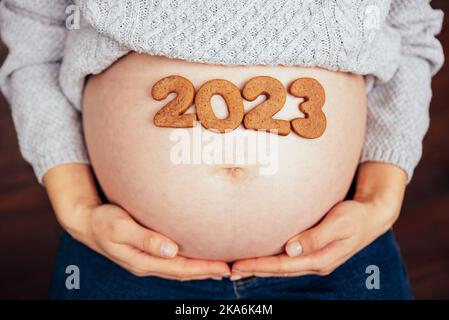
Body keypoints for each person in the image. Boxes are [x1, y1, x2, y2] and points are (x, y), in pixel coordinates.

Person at [0, 0, 444, 299]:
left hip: (338, 254)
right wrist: (76, 205)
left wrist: (381, 196)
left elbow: (408, 32)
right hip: (121, 255)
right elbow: (37, 35)